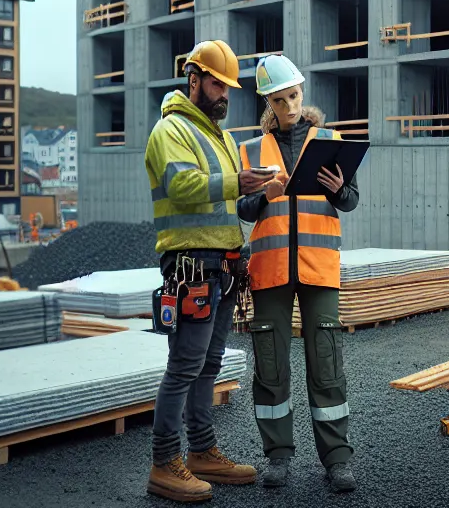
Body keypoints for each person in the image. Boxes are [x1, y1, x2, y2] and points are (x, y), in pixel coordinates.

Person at [145, 39, 268, 503]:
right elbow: (182, 186)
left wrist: (264, 195)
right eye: (217, 83)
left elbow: (234, 202)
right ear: (193, 79)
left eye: (228, 87)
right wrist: (241, 181)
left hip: (223, 267)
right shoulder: (171, 129)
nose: (224, 94)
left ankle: (200, 452)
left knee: (208, 366)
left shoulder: (222, 138)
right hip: (190, 264)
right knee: (184, 366)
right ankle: (163, 462)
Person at [236, 54, 359, 494]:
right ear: (267, 101)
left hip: (318, 268)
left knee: (326, 363)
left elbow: (349, 201)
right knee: (270, 365)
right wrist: (264, 195)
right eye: (278, 99)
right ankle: (278, 457)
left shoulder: (331, 141)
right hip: (269, 271)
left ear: (302, 93)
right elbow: (243, 210)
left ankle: (337, 460)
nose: (288, 106)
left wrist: (339, 189)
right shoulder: (251, 150)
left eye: (293, 96)